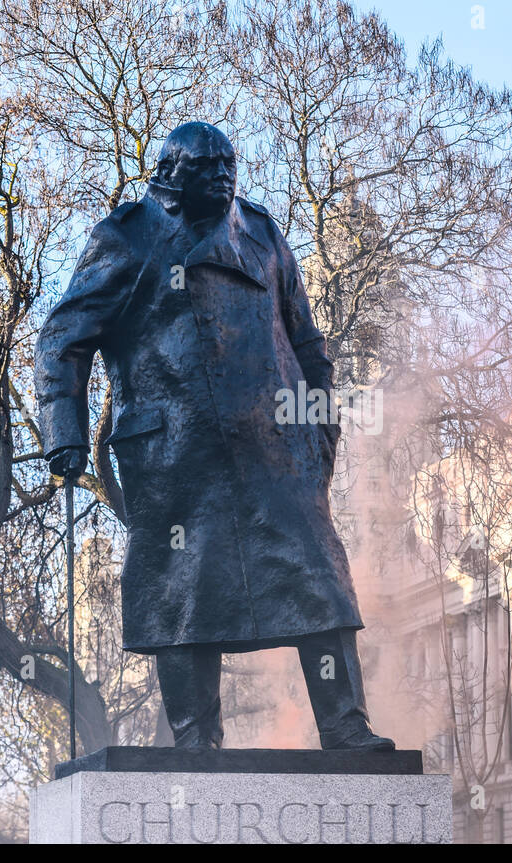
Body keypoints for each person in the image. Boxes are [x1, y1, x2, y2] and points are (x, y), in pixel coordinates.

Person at [36, 122, 392, 750]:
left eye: (229, 163)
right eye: (206, 167)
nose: (223, 175)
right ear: (172, 177)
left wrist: (320, 436)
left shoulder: (262, 234)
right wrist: (63, 430)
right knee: (183, 593)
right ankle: (195, 740)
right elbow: (64, 338)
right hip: (176, 453)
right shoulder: (126, 238)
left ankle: (346, 726)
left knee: (319, 584)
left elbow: (307, 343)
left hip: (276, 452)